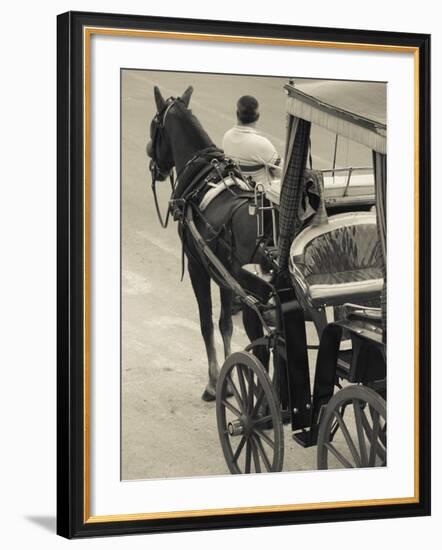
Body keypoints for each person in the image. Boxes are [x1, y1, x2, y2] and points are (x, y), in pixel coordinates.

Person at [222, 95, 282, 186]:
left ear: (237, 114)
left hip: (235, 189)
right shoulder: (262, 144)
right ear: (257, 116)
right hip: (259, 194)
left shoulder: (226, 137)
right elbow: (281, 173)